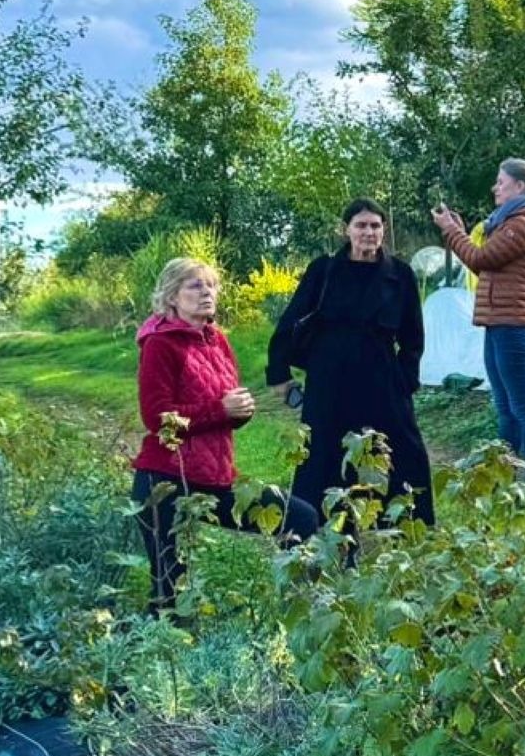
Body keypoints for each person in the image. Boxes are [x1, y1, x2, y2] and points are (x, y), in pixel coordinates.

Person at [135, 258, 316, 610]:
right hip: (166, 481)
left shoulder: (218, 341)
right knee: (168, 590)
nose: (207, 292)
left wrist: (239, 413)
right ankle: (158, 655)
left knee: (300, 517)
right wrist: (221, 410)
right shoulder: (160, 344)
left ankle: (297, 608)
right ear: (172, 296)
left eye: (211, 285)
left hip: (216, 478)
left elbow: (224, 408)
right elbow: (157, 419)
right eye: (195, 285)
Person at [268, 200, 436, 529]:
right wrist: (279, 373)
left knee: (402, 449)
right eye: (361, 225)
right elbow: (292, 320)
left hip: (382, 376)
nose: (368, 232)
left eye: (375, 225)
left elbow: (413, 335)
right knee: (323, 451)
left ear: (383, 230)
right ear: (346, 229)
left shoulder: (399, 274)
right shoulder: (324, 270)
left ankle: (404, 521)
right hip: (330, 376)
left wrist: (405, 381)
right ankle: (321, 525)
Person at [433, 161, 525, 489]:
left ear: (520, 187)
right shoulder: (506, 224)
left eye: (500, 182)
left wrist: (451, 230)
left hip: (514, 325)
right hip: (499, 322)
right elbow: (487, 270)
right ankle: (504, 477)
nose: (495, 187)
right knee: (505, 406)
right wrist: (457, 233)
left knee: (524, 406)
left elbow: (480, 260)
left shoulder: (523, 225)